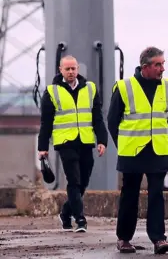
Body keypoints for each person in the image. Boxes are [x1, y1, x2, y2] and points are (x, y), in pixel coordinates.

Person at [107, 46, 168, 255]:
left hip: (158, 149)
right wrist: (124, 146)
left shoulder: (167, 87)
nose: (162, 68)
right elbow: (112, 121)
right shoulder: (124, 87)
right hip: (132, 151)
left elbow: (165, 117)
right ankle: (124, 239)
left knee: (157, 194)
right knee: (130, 195)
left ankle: (158, 239)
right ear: (145, 67)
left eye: (163, 64)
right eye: (158, 65)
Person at [37, 55, 108, 233]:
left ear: (77, 69)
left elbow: (98, 118)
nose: (71, 72)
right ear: (60, 70)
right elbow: (46, 122)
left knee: (83, 181)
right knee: (74, 180)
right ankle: (80, 219)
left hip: (85, 141)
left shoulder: (90, 89)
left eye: (73, 68)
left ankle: (66, 212)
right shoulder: (52, 91)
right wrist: (43, 148)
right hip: (65, 142)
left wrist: (102, 140)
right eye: (67, 69)